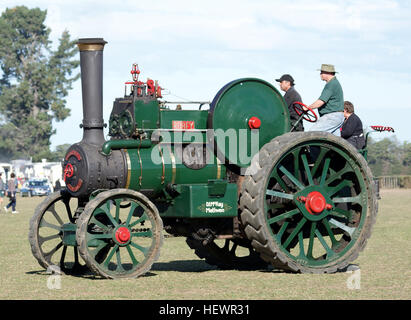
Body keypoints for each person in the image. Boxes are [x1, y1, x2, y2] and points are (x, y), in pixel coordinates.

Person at [305, 64, 344, 136]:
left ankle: (313, 147)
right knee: (335, 142)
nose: (320, 74)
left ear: (327, 73)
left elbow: (320, 102)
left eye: (322, 72)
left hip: (331, 117)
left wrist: (307, 108)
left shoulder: (331, 84)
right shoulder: (334, 83)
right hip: (337, 117)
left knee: (311, 134)